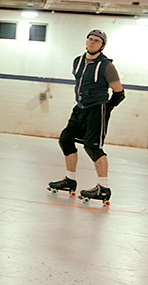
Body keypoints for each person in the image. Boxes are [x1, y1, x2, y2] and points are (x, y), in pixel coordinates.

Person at [48, 30, 124, 205]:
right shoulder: (78, 61)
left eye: (96, 41)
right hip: (80, 108)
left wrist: (107, 108)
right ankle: (70, 180)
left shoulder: (106, 66)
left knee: (93, 147)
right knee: (66, 139)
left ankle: (103, 188)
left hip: (98, 109)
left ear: (102, 45)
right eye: (90, 39)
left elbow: (119, 92)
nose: (92, 42)